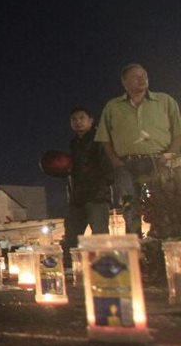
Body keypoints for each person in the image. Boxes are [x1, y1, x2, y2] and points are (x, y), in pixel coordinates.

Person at [94, 64, 181, 235]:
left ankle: (166, 240)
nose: (142, 79)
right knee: (129, 205)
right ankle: (136, 244)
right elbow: (104, 137)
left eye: (144, 75)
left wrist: (168, 157)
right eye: (136, 76)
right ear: (124, 82)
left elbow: (178, 133)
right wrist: (115, 160)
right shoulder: (113, 107)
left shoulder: (164, 101)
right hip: (127, 164)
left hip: (160, 161)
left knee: (166, 204)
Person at [61, 107, 111, 265]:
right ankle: (71, 268)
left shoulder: (100, 140)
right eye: (74, 119)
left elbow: (108, 165)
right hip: (77, 197)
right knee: (71, 236)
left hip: (97, 195)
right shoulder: (73, 143)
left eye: (82, 118)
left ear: (91, 120)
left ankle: (105, 268)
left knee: (100, 235)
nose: (78, 122)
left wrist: (107, 183)